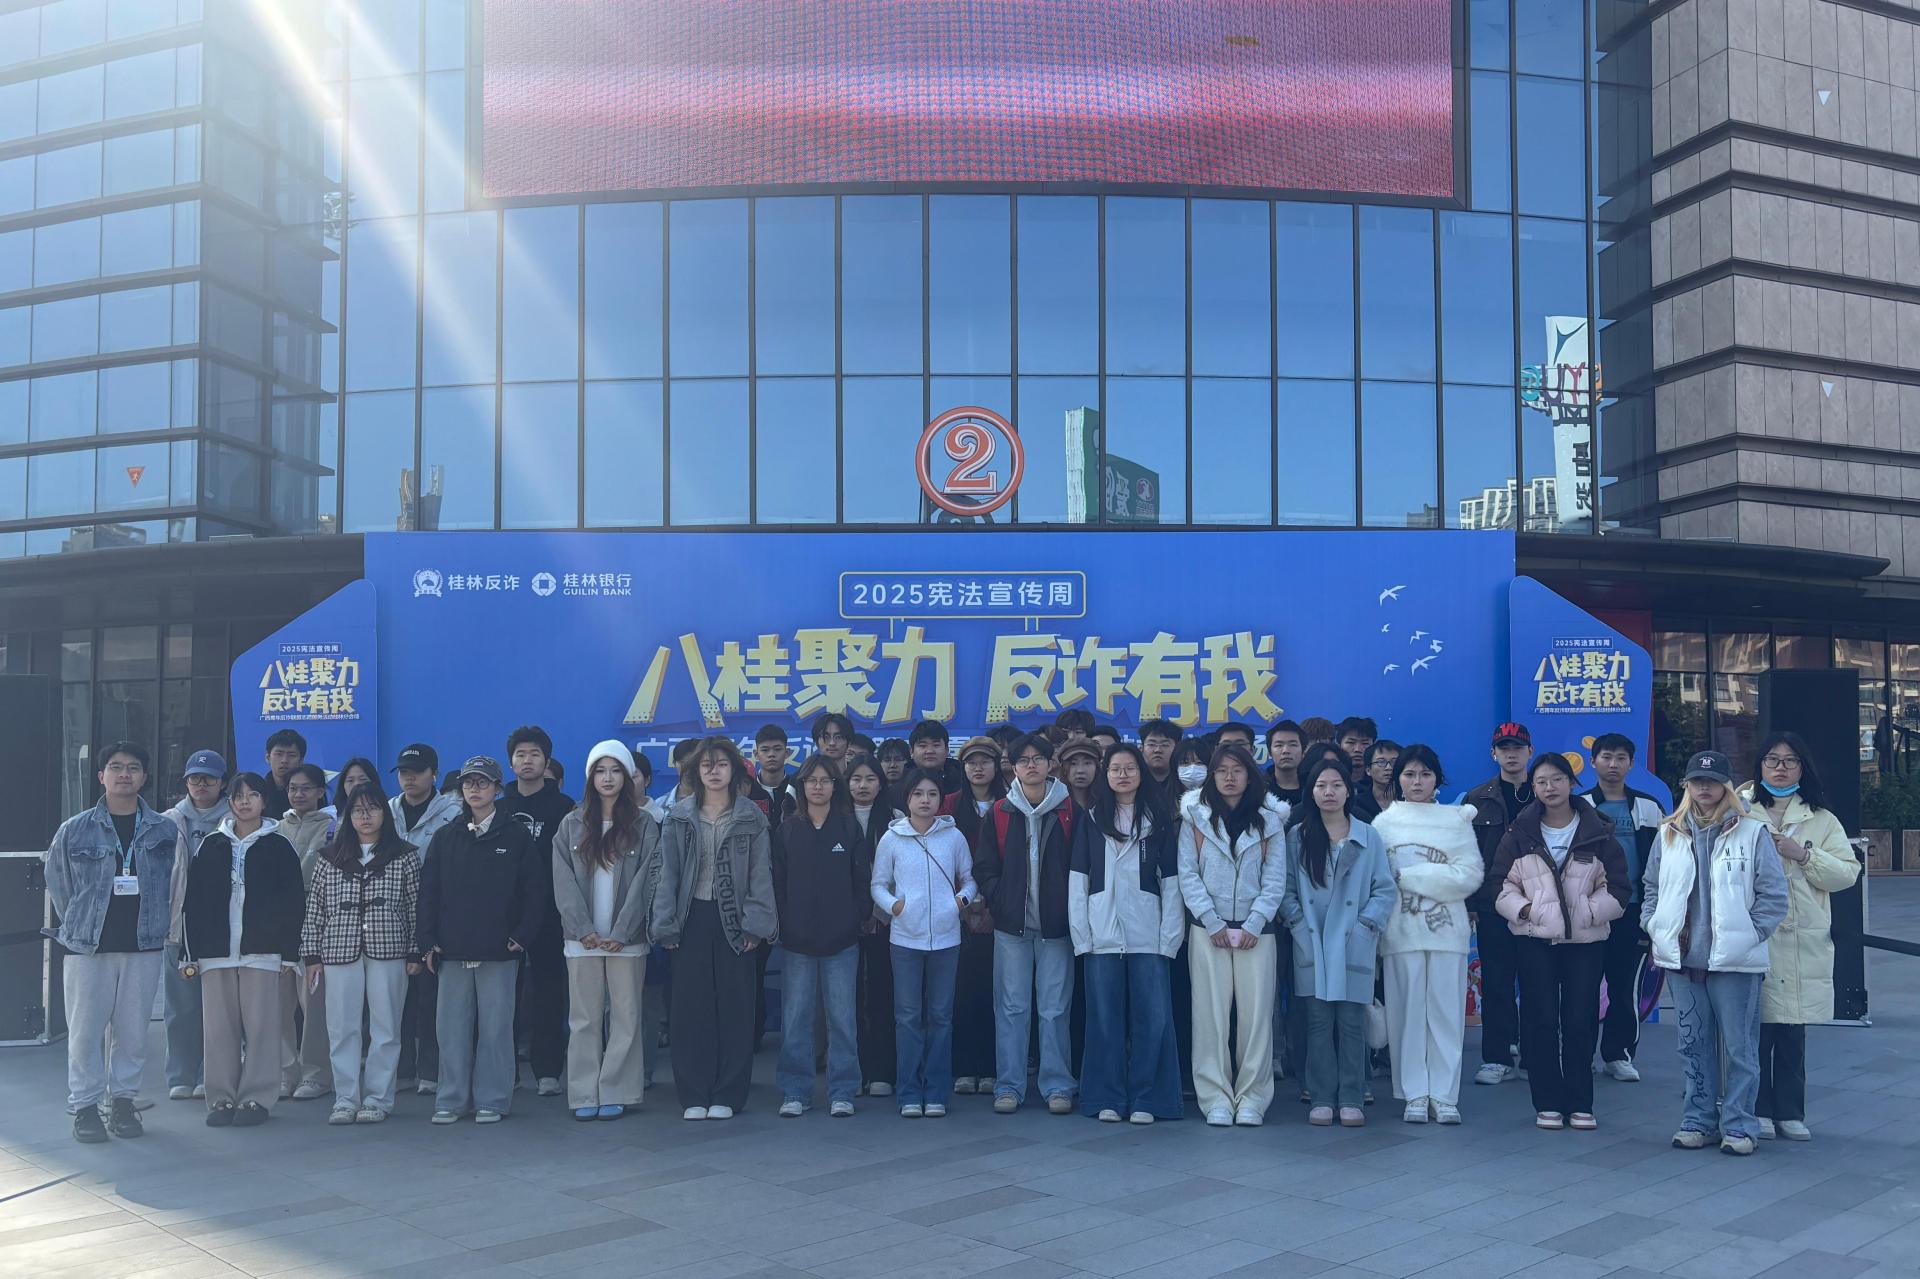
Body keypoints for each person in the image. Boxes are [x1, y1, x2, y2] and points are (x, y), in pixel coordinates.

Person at [1644, 751, 1789, 1154]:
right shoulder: (1669, 832)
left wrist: (1750, 934)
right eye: (1696, 781)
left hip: (1735, 962)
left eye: (1712, 781)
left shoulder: (1752, 832)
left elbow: (1773, 895)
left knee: (1740, 1048)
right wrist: (1654, 924)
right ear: (1687, 786)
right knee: (1692, 1044)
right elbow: (1652, 886)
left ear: (1727, 786)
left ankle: (1740, 1125)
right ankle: (1698, 1120)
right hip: (1682, 959)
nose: (1704, 788)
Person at [47, 741, 182, 1143]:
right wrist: (80, 921)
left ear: (144, 777)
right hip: (87, 947)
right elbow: (59, 882)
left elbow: (176, 883)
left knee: (133, 1033)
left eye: (134, 767)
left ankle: (123, 1102)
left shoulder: (164, 829)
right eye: (116, 767)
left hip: (143, 945)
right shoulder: (75, 828)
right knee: (84, 1033)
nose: (125, 774)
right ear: (101, 776)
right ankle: (85, 1107)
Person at [1491, 752, 1630, 1132]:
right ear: (1533, 788)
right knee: (1539, 1020)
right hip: (1534, 941)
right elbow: (1500, 885)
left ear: (1571, 783)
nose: (1549, 787)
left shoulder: (1597, 830)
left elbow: (1619, 887)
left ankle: (1581, 1101)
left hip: (1586, 944)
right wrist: (1526, 911)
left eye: (1556, 779)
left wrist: (1588, 912)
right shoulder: (1519, 833)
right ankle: (1548, 1101)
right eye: (1541, 782)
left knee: (1580, 1020)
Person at [1740, 734, 1859, 1141]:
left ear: (1802, 768)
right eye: (1772, 759)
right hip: (1754, 933)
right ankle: (1756, 1108)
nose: (1780, 768)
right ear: (1760, 765)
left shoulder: (1821, 819)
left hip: (1801, 937)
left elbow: (1846, 873)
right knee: (1755, 1029)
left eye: (1790, 761)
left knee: (1792, 1028)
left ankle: (1790, 1111)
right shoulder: (1740, 809)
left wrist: (1804, 854)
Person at [651, 737, 777, 1121]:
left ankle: (728, 1092)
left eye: (721, 764)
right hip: (691, 917)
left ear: (734, 770)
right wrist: (665, 923)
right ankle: (693, 1092)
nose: (714, 771)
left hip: (735, 920)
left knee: (736, 1008)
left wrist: (756, 924)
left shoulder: (751, 817)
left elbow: (761, 875)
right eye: (706, 765)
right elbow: (666, 874)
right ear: (695, 772)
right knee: (690, 1009)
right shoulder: (678, 816)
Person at [417, 756, 543, 1125]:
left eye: (482, 782)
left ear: (497, 789)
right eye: (468, 783)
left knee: (496, 1028)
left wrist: (522, 935)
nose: (474, 789)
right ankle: (451, 1099)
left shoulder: (516, 835)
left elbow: (534, 891)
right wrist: (427, 940)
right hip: (452, 948)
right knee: (451, 1028)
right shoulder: (446, 836)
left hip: (499, 949)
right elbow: (429, 893)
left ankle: (493, 1099)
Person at [178, 772, 305, 1128]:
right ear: (229, 801)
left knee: (263, 1027)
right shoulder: (211, 845)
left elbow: (293, 902)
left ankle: (256, 1098)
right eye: (237, 796)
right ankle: (221, 1098)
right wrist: (189, 953)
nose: (244, 802)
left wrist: (289, 953)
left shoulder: (279, 845)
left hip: (262, 950)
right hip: (215, 951)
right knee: (219, 1029)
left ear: (264, 801)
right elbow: (193, 902)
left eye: (252, 795)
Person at [1069, 743, 1182, 1123]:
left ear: (1141, 773)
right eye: (1115, 768)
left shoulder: (1159, 819)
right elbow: (1078, 880)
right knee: (1104, 1020)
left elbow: (1172, 882)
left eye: (1130, 768)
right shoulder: (1091, 818)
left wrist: (1170, 937)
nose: (1123, 775)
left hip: (1149, 934)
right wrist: (1082, 935)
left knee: (1154, 1019)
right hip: (1101, 934)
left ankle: (1149, 1100)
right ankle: (1107, 1097)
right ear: (1106, 775)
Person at [1371, 745, 1482, 1124]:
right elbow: (1380, 880)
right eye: (1409, 774)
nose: (1417, 782)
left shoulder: (1457, 820)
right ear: (1398, 779)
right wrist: (1436, 876)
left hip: (1447, 933)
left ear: (1437, 779)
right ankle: (1414, 1093)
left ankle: (1445, 1095)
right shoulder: (1383, 824)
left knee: (1446, 1014)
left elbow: (1468, 875)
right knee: (1406, 1015)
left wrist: (1409, 876)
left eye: (1425, 774)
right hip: (1400, 932)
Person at [1179, 742, 1287, 1127]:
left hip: (1258, 933)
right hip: (1208, 931)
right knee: (1209, 1018)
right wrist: (1212, 921)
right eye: (1222, 770)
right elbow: (1188, 875)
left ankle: (1253, 1098)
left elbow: (1275, 879)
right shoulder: (1195, 817)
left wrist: (1255, 923)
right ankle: (1216, 1099)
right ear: (1212, 776)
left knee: (1256, 1021)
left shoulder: (1270, 821)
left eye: (1237, 770)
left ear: (1250, 775)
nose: (1229, 777)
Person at [552, 741, 661, 1123]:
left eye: (616, 770)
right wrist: (582, 929)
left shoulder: (645, 824)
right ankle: (584, 1092)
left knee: (626, 1016)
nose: (608, 778)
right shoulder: (571, 823)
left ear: (628, 777)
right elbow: (563, 881)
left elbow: (647, 880)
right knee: (583, 1018)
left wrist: (623, 930)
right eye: (600, 771)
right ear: (590, 778)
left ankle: (617, 1090)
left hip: (625, 940)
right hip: (581, 940)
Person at [1282, 758, 1394, 1127]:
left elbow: (1384, 889)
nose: (1328, 792)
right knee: (1316, 1021)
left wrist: (1366, 926)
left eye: (1336, 785)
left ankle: (1351, 1096)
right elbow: (1286, 890)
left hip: (1354, 940)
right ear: (1311, 792)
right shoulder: (1297, 836)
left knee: (1351, 1021)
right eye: (1321, 785)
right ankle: (1321, 1096)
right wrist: (1298, 924)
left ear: (1349, 790)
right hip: (1311, 940)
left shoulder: (1368, 836)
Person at [973, 732, 1081, 1115]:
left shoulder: (1070, 811)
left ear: (1051, 764)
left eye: (1038, 758)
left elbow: (1082, 866)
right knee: (1011, 1008)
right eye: (1023, 760)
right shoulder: (1000, 812)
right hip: (1011, 928)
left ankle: (1058, 1086)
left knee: (1055, 1009)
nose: (1031, 765)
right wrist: (1001, 899)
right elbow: (984, 868)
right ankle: (1009, 1085)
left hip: (1056, 927)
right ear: (1013, 768)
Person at [300, 783, 420, 1125]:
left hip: (390, 949)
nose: (365, 816)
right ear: (348, 815)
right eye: (357, 810)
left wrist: (415, 950)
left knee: (386, 1028)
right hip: (339, 949)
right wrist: (311, 955)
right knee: (342, 1028)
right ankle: (345, 1099)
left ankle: (378, 1099)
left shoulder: (405, 855)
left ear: (385, 813)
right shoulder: (329, 857)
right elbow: (316, 908)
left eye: (373, 808)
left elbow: (415, 905)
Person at [871, 767, 976, 1118]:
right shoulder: (892, 838)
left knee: (941, 1017)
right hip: (905, 940)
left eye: (932, 794)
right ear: (907, 799)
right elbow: (878, 885)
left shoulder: (953, 837)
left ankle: (936, 1092)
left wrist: (959, 902)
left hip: (947, 940)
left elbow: (969, 879)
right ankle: (908, 1092)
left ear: (940, 800)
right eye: (918, 794)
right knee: (907, 1017)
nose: (925, 800)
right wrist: (895, 907)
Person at [773, 754, 871, 1118]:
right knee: (796, 1020)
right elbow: (778, 884)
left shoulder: (848, 828)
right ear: (801, 786)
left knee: (842, 1020)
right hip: (797, 942)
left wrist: (856, 918)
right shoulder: (787, 830)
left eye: (825, 780)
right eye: (811, 780)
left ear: (835, 786)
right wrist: (786, 923)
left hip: (842, 942)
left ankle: (842, 1090)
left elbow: (861, 882)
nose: (817, 786)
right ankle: (795, 1091)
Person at [495, 725, 575, 1098]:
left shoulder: (564, 807)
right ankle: (505, 1070)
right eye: (520, 754)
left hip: (551, 912)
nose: (527, 761)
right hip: (505, 915)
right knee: (503, 996)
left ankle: (548, 1071)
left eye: (535, 754)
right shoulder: (498, 807)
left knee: (549, 993)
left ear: (547, 761)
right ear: (511, 762)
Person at [1584, 733, 1666, 1082]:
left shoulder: (1649, 807)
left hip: (1633, 911)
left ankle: (1618, 1055)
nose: (1613, 764)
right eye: (1606, 757)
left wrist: (1656, 911)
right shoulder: (1579, 804)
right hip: (1587, 911)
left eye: (1621, 758)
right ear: (1593, 762)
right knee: (1583, 986)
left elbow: (1664, 862)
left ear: (1632, 764)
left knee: (1624, 986)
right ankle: (1581, 1053)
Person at [387, 743, 459, 1097]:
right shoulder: (385, 811)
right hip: (390, 917)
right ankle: (401, 1070)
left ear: (434, 774)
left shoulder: (454, 813)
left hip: (435, 915)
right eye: (403, 772)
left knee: (431, 998)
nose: (409, 778)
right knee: (395, 999)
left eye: (416, 771)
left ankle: (430, 1069)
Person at [1465, 722, 1534, 1086]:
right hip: (1493, 904)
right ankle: (1496, 1057)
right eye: (1504, 748)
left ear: (1530, 752)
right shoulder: (1477, 799)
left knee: (1538, 982)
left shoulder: (1547, 791)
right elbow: (1467, 855)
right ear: (1494, 754)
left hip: (1539, 904)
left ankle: (1535, 1054)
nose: (1511, 753)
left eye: (1517, 747)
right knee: (1496, 982)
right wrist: (1470, 902)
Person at [163, 749, 229, 1103]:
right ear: (186, 781)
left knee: (218, 1007)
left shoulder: (236, 818)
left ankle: (211, 1074)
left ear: (222, 783)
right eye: (195, 778)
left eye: (209, 778)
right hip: (178, 926)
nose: (201, 784)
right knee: (181, 1006)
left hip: (222, 926)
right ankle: (181, 1075)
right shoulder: (167, 821)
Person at [949, 736, 1005, 1096]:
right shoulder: (949, 805)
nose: (978, 768)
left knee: (994, 994)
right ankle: (964, 1068)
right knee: (961, 993)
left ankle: (991, 1068)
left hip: (1000, 911)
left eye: (985, 761)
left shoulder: (1009, 803)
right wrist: (965, 904)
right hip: (957, 913)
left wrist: (990, 904)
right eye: (971, 762)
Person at [276, 762, 335, 1103]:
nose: (298, 794)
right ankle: (286, 1073)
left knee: (313, 1005)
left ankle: (316, 1074)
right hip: (278, 926)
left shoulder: (333, 827)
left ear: (320, 792)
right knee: (278, 1005)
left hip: (315, 924)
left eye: (305, 788)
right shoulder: (275, 828)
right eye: (292, 788)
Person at [846, 756, 896, 1097]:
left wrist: (879, 913)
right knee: (847, 1001)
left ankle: (882, 1070)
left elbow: (900, 874)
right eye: (856, 779)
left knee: (883, 996)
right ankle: (854, 1071)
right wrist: (855, 914)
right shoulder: (835, 817)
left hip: (887, 923)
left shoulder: (896, 820)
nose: (862, 785)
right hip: (844, 922)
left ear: (881, 784)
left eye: (870, 779)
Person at [749, 724, 799, 828]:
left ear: (787, 753)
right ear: (756, 754)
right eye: (765, 750)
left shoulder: (797, 788)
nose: (771, 754)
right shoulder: (747, 790)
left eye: (777, 749)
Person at [258, 728, 306, 820]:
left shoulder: (308, 791)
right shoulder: (258, 791)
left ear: (301, 760)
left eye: (291, 755)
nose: (284, 760)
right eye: (279, 754)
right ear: (268, 758)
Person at [1350, 740, 1401, 823]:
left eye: (1394, 762)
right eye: (1381, 762)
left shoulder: (1409, 801)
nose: (1389, 767)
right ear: (1368, 770)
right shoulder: (1356, 803)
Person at [1140, 718, 1183, 808]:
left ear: (1177, 748)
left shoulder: (1184, 781)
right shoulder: (1134, 781)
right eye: (1151, 744)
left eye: (1165, 745)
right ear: (1142, 748)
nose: (1158, 750)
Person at [1264, 721, 1306, 807]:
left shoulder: (1313, 787)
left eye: (1293, 745)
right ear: (1269, 753)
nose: (1286, 751)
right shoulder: (1259, 788)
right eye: (1279, 745)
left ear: (1303, 751)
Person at [1059, 737, 1101, 811]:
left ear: (1096, 767)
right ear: (1063, 768)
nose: (1080, 770)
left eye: (1087, 763)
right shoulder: (1054, 803)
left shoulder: (1107, 802)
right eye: (1073, 763)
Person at [1334, 718, 1377, 788]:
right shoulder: (1328, 778)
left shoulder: (1380, 782)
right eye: (1351, 742)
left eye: (1365, 743)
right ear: (1339, 745)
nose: (1357, 749)